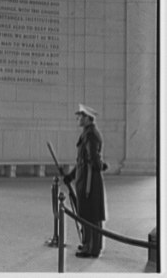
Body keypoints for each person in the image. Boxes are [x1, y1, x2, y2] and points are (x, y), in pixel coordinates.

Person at [64, 104, 107, 258]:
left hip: (90, 181)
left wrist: (101, 165)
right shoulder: (87, 133)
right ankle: (89, 244)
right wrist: (71, 175)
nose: (78, 118)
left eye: (81, 116)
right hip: (85, 178)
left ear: (88, 118)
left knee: (91, 215)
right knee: (87, 214)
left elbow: (93, 160)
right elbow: (83, 161)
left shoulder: (91, 135)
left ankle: (92, 248)